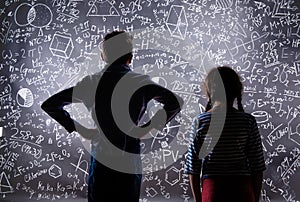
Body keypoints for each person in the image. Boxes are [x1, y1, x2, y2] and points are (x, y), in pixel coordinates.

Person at [41, 30, 183, 202]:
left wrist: (80, 129)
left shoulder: (91, 82)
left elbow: (50, 104)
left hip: (102, 161)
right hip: (129, 162)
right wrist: (150, 126)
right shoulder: (140, 82)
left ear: (104, 56)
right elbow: (175, 102)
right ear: (130, 56)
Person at [185, 66, 266, 202]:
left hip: (213, 190)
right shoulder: (247, 121)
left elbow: (193, 166)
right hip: (242, 190)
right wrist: (255, 198)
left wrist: (198, 199)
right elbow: (257, 166)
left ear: (209, 91)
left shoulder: (200, 121)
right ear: (236, 91)